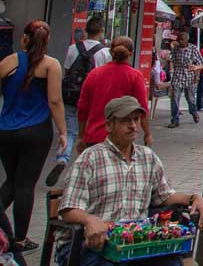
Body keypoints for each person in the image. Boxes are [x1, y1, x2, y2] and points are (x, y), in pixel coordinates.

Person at [57, 96, 203, 266]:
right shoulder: (90, 158)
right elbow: (68, 210)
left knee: (175, 262)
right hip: (93, 244)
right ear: (109, 125)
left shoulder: (148, 157)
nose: (133, 126)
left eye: (136, 119)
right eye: (125, 121)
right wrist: (89, 220)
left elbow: (165, 195)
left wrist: (194, 198)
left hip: (135, 245)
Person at [0, 20, 67, 254]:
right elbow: (55, 101)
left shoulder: (8, 61)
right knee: (25, 184)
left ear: (24, 39)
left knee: (12, 180)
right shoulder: (51, 65)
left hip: (6, 130)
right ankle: (19, 239)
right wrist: (63, 132)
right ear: (47, 42)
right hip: (37, 131)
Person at [49, 17, 111, 186]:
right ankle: (80, 169)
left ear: (86, 30)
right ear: (101, 31)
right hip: (93, 99)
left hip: (71, 96)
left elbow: (66, 71)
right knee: (88, 134)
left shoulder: (72, 49)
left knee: (70, 132)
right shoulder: (104, 53)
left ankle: (62, 158)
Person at [77, 36, 152, 153]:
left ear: (111, 52)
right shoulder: (135, 76)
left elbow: (82, 108)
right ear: (131, 54)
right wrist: (147, 134)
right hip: (122, 137)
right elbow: (143, 108)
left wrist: (81, 136)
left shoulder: (93, 74)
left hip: (94, 136)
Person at [166, 35, 202, 128]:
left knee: (190, 98)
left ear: (187, 40)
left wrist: (197, 76)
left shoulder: (193, 49)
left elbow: (199, 63)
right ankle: (175, 119)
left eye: (183, 39)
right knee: (174, 98)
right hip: (178, 74)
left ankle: (194, 112)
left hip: (190, 74)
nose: (181, 41)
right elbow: (171, 60)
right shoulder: (176, 49)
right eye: (179, 39)